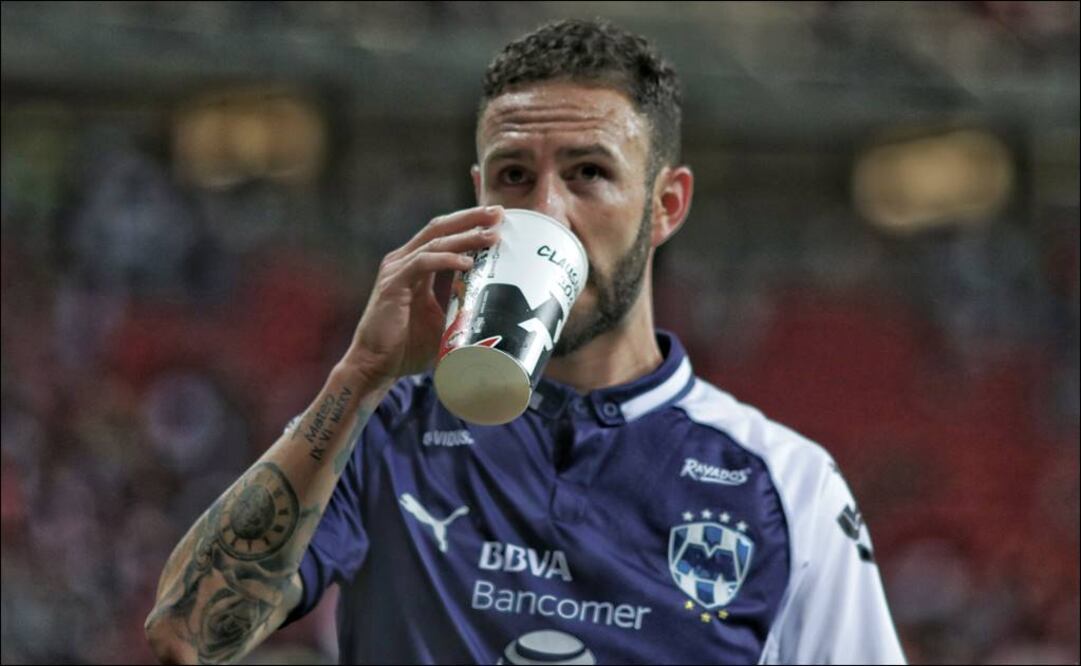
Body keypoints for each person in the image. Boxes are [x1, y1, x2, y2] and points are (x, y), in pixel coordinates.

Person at [145, 19, 905, 665]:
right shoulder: (381, 429)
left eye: (588, 173)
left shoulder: (789, 487)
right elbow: (186, 635)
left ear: (665, 205)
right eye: (514, 176)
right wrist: (358, 376)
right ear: (479, 195)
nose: (546, 210)